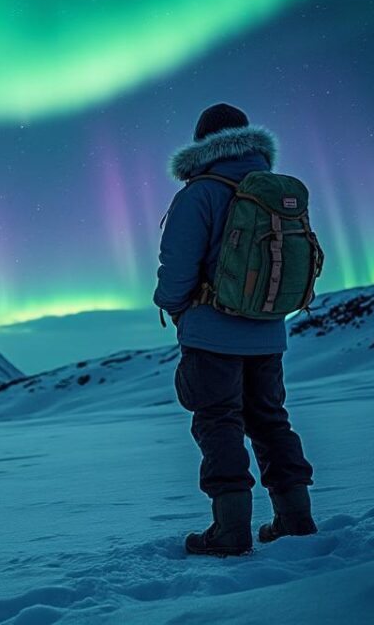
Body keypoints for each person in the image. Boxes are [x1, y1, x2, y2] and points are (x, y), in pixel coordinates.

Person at [154, 103, 317, 556]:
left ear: (201, 143)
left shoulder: (200, 193)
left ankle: (230, 530)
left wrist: (173, 306)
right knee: (270, 420)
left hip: (211, 334)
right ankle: (296, 519)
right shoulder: (272, 192)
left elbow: (177, 267)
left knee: (217, 421)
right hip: (268, 331)